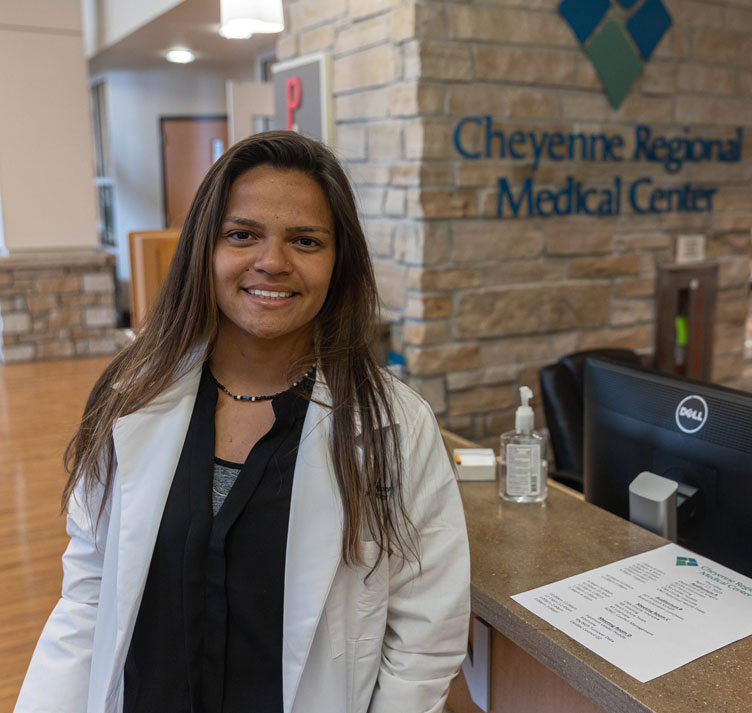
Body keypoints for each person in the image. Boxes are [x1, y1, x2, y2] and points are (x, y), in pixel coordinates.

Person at [14, 131, 470, 713]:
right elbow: (86, 600)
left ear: (338, 263)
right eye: (242, 235)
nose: (271, 262)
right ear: (206, 248)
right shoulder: (133, 398)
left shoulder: (394, 427)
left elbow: (425, 640)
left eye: (305, 240)